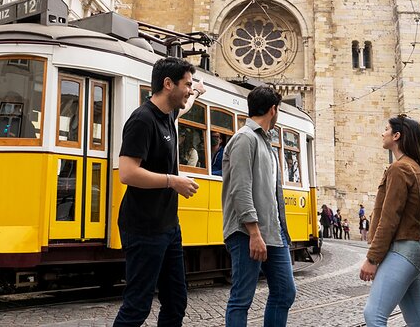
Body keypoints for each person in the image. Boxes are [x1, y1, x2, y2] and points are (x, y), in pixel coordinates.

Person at [113, 57, 205, 327]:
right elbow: (127, 173)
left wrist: (197, 90)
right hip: (143, 228)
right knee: (137, 307)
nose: (188, 90)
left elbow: (185, 106)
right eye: (186, 84)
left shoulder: (169, 114)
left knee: (176, 302)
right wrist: (172, 181)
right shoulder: (142, 120)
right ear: (168, 84)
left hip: (168, 227)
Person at [222, 86, 296, 327]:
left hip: (273, 233)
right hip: (247, 233)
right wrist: (254, 232)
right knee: (242, 299)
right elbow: (240, 188)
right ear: (273, 110)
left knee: (285, 292)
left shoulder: (266, 143)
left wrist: (282, 230)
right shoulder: (245, 138)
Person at [361, 115, 420, 327]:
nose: (383, 134)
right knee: (418, 321)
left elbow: (389, 219)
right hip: (414, 252)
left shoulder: (399, 168)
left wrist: (372, 259)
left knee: (373, 316)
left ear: (397, 136)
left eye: (386, 129)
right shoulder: (417, 168)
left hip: (400, 251)